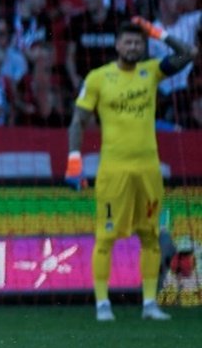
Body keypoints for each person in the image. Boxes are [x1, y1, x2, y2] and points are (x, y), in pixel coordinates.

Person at [66, 18, 197, 322]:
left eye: (138, 42)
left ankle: (149, 304)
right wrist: (74, 158)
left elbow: (188, 53)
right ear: (117, 45)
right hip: (114, 172)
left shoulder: (150, 72)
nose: (133, 46)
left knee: (150, 235)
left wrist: (158, 33)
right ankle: (102, 304)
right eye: (128, 41)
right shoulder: (98, 78)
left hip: (148, 170)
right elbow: (78, 120)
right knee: (106, 236)